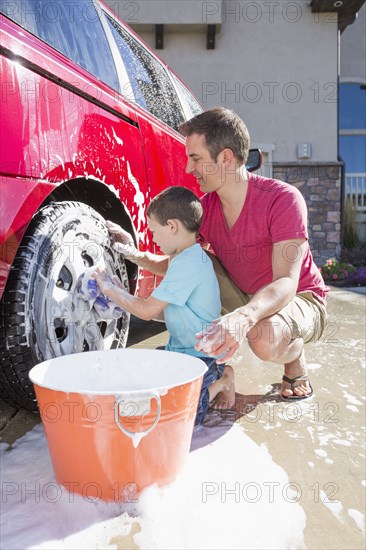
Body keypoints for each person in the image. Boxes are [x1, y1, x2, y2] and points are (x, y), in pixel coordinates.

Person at [108, 107, 328, 401]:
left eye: (195, 158)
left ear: (225, 158)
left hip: (299, 297)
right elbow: (179, 264)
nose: (188, 168)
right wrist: (132, 253)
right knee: (194, 259)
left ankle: (295, 355)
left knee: (262, 338)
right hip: (244, 293)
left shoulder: (283, 200)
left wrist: (243, 316)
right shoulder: (206, 208)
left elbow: (286, 282)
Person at [92, 186, 235, 425]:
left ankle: (222, 380)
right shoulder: (186, 256)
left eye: (154, 231)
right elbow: (161, 307)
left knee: (185, 416)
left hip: (202, 360)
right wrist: (129, 252)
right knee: (146, 384)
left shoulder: (188, 264)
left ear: (172, 226)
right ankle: (213, 379)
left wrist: (110, 289)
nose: (153, 237)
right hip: (180, 353)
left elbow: (147, 311)